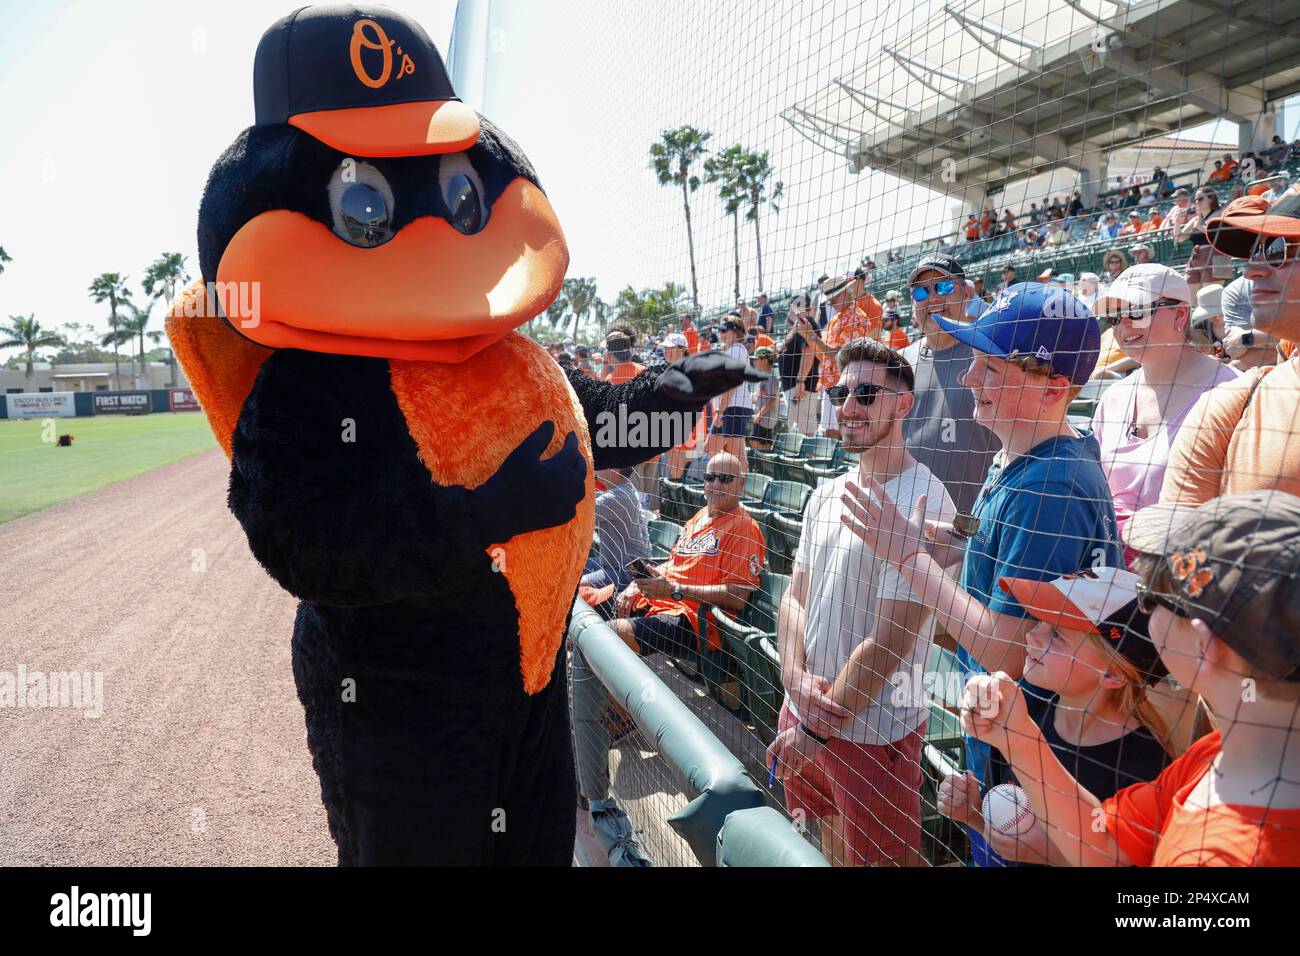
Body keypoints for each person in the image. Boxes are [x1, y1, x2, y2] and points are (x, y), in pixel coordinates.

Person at [838, 281, 1120, 867]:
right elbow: (1015, 575)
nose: (969, 380)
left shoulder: (1050, 482)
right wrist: (952, 544)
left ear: (1055, 388)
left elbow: (1005, 650)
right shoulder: (1026, 455)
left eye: (991, 369)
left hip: (1045, 761)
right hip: (1007, 745)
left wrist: (908, 557)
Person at [964, 490, 1300, 866]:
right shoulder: (1222, 753)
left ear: (1203, 646)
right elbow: (1106, 844)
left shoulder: (1224, 852)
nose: (1146, 603)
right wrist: (1019, 738)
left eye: (1154, 596)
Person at [768, 339, 957, 867]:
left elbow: (892, 639)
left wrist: (814, 728)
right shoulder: (825, 493)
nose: (848, 407)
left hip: (876, 733)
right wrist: (792, 675)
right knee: (818, 850)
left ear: (903, 406)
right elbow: (794, 598)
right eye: (840, 392)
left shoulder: (927, 497)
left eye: (866, 394)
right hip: (804, 712)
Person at [938, 566, 1175, 865]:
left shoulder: (1148, 768)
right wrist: (974, 815)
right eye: (1039, 621)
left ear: (1114, 674)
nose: (1032, 634)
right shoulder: (1025, 709)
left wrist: (1052, 855)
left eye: (1057, 634)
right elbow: (1011, 837)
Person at [1162, 192, 1300, 504]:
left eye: (1276, 250)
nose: (1252, 271)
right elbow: (1180, 551)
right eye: (1253, 253)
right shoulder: (1228, 408)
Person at [1091, 264, 1239, 549]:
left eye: (1137, 312)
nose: (1123, 327)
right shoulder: (1113, 398)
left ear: (1180, 314)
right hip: (1110, 571)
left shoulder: (1231, 390)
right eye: (1114, 317)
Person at [605, 452, 764, 659]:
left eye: (725, 479)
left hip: (695, 620)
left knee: (611, 635)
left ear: (741, 483)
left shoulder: (744, 528)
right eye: (710, 477)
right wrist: (641, 583)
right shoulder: (700, 516)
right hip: (662, 600)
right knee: (593, 604)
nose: (715, 484)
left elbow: (737, 597)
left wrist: (676, 591)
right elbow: (674, 563)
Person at [899, 254, 1001, 519]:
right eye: (921, 292)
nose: (932, 298)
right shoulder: (901, 362)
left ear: (966, 293)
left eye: (943, 287)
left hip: (974, 526)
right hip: (910, 522)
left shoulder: (990, 353)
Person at [798, 274, 874, 441]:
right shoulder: (834, 320)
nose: (830, 302)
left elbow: (841, 355)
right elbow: (822, 354)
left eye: (834, 298)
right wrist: (807, 336)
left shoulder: (857, 318)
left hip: (847, 388)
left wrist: (812, 336)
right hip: (830, 385)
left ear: (846, 293)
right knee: (829, 435)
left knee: (843, 436)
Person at [580, 467, 652, 595]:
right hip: (612, 564)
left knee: (576, 587)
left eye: (603, 465)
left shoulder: (618, 496)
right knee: (572, 568)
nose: (597, 469)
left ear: (615, 470)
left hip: (628, 572)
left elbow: (579, 516)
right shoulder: (624, 489)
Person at [704, 317, 756, 473]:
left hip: (733, 409)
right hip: (728, 408)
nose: (720, 333)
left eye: (724, 330)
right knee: (711, 448)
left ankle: (741, 490)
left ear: (734, 332)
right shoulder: (731, 351)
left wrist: (720, 411)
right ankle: (724, 484)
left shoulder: (737, 350)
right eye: (719, 330)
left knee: (737, 455)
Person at [779, 293, 821, 437]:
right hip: (794, 386)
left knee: (803, 433)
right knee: (797, 431)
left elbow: (809, 353)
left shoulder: (806, 322)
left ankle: (807, 460)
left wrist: (800, 381)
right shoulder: (798, 324)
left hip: (801, 387)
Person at [748, 345, 783, 450]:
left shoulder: (771, 378)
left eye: (757, 359)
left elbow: (773, 398)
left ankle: (761, 465)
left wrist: (759, 414)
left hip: (765, 418)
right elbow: (764, 396)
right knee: (758, 443)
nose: (754, 362)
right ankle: (761, 465)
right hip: (763, 418)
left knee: (757, 443)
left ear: (765, 361)